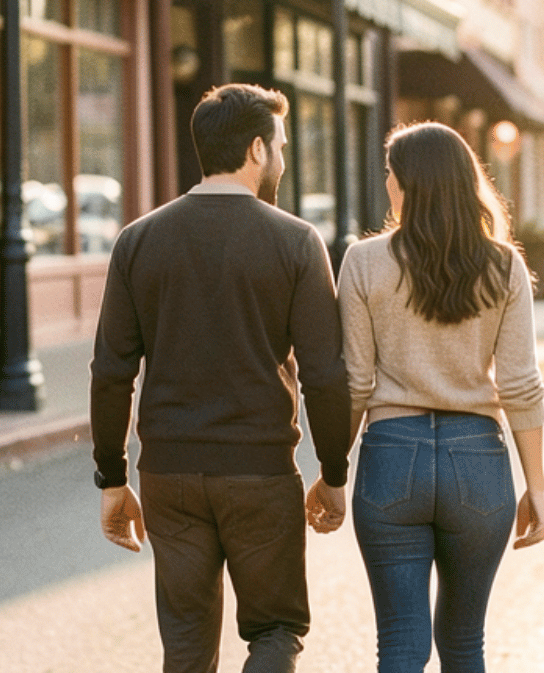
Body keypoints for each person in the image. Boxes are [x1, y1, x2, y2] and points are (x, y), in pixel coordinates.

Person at [89, 82, 351, 673]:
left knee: (184, 644)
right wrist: (334, 472)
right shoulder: (296, 242)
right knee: (276, 630)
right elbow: (326, 375)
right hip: (259, 473)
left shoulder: (138, 241)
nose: (282, 158)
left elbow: (111, 372)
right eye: (279, 146)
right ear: (257, 150)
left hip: (169, 475)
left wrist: (112, 477)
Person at [333, 121, 544, 673]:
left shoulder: (364, 262)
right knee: (463, 642)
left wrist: (332, 473)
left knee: (402, 643)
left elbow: (355, 382)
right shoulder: (504, 265)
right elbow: (520, 383)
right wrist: (536, 487)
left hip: (390, 456)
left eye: (389, 173)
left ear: (409, 183)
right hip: (477, 460)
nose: (386, 183)